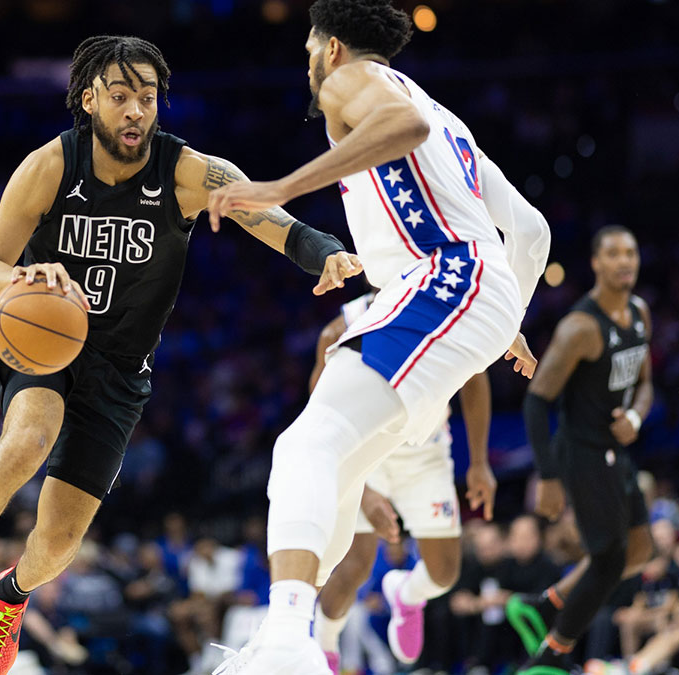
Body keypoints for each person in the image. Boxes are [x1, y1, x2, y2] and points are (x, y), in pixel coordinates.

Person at [0, 34, 362, 675]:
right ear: (89, 99)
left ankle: (9, 601)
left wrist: (320, 251)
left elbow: (258, 208)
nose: (136, 111)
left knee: (60, 542)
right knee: (28, 440)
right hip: (44, 345)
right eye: (121, 97)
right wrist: (25, 278)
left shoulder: (182, 172)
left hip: (121, 367)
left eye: (148, 98)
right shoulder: (50, 165)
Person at [206, 0, 551, 670]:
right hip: (458, 292)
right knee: (332, 468)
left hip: (444, 277)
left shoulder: (352, 83)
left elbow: (405, 123)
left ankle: (285, 646)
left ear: (332, 47)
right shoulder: (453, 121)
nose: (309, 63)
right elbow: (532, 230)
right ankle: (289, 637)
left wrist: (280, 186)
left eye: (310, 47)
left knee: (305, 443)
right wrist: (506, 322)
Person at [309, 291, 494, 672]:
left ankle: (406, 594)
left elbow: (476, 379)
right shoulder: (341, 329)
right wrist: (363, 489)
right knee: (354, 566)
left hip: (426, 454)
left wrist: (478, 462)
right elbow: (321, 421)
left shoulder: (444, 309)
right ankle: (323, 646)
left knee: (444, 573)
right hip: (364, 453)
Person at [510, 225, 655, 674]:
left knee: (639, 550)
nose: (624, 261)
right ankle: (554, 653)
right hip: (581, 452)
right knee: (610, 558)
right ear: (596, 263)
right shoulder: (580, 326)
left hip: (615, 448)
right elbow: (536, 401)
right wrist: (549, 476)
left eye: (630, 252)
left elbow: (646, 384)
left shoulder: (640, 313)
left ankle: (546, 603)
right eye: (613, 253)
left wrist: (634, 417)